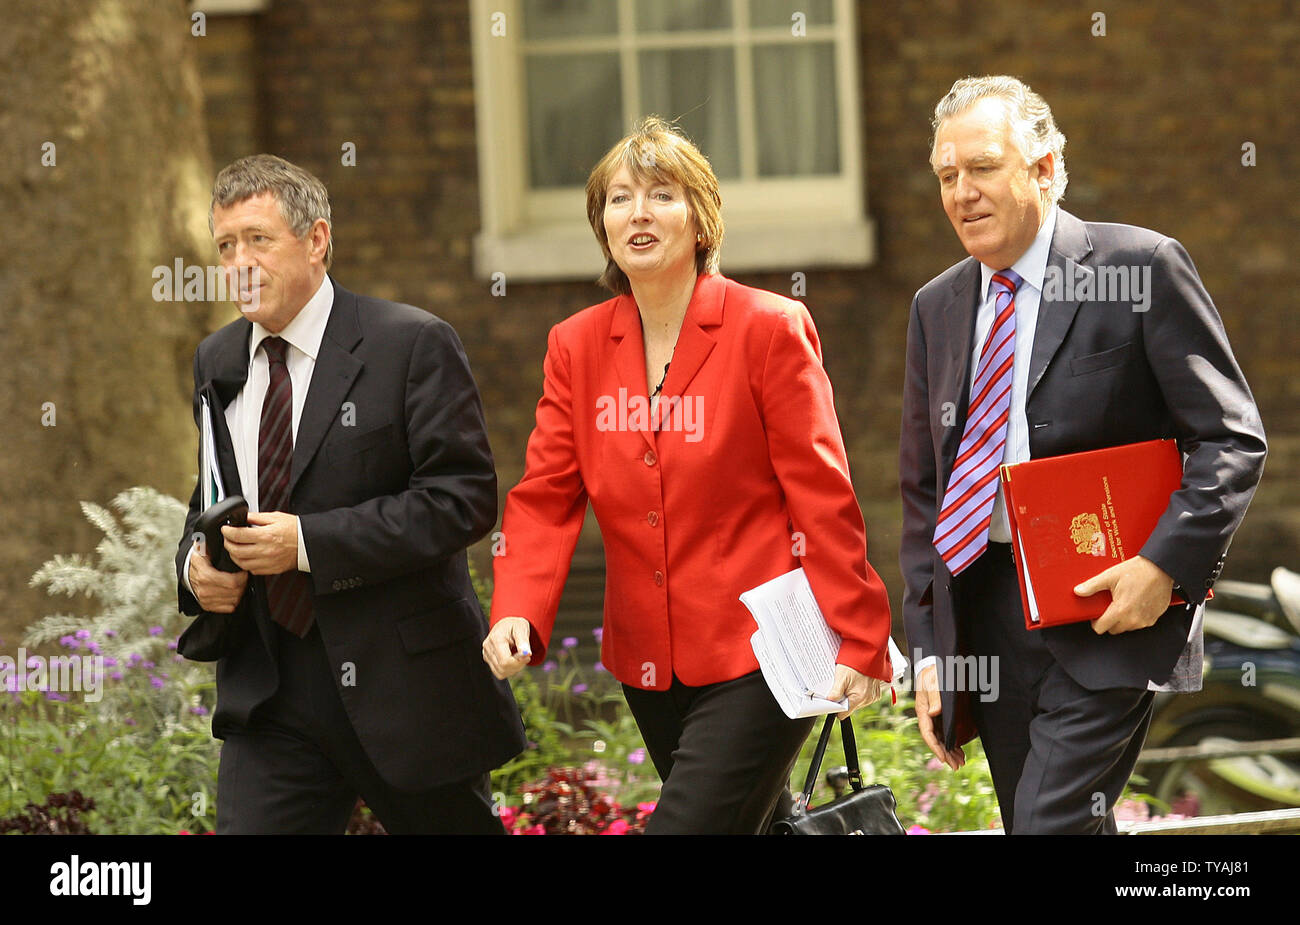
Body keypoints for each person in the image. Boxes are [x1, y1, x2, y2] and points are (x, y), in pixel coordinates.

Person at [482, 117, 893, 834]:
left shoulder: (768, 327)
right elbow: (546, 495)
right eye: (619, 198)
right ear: (602, 225)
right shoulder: (575, 346)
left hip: (760, 653)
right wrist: (517, 605)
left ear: (701, 221)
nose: (637, 212)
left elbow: (821, 494)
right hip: (648, 661)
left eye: (661, 194)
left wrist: (860, 636)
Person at [900, 76, 1267, 833]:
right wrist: (932, 652)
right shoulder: (935, 307)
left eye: (983, 167)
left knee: (1046, 823)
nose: (961, 193)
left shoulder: (1142, 268)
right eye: (946, 176)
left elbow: (1231, 438)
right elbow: (923, 491)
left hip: (1109, 607)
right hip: (985, 619)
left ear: (1044, 165)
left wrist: (1162, 567)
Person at [174, 154, 525, 834]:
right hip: (269, 694)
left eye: (257, 239)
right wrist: (196, 566)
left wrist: (306, 544)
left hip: (406, 689)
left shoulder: (411, 344)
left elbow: (463, 499)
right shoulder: (216, 360)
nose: (239, 260)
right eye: (225, 245)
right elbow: (208, 498)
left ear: (317, 240)